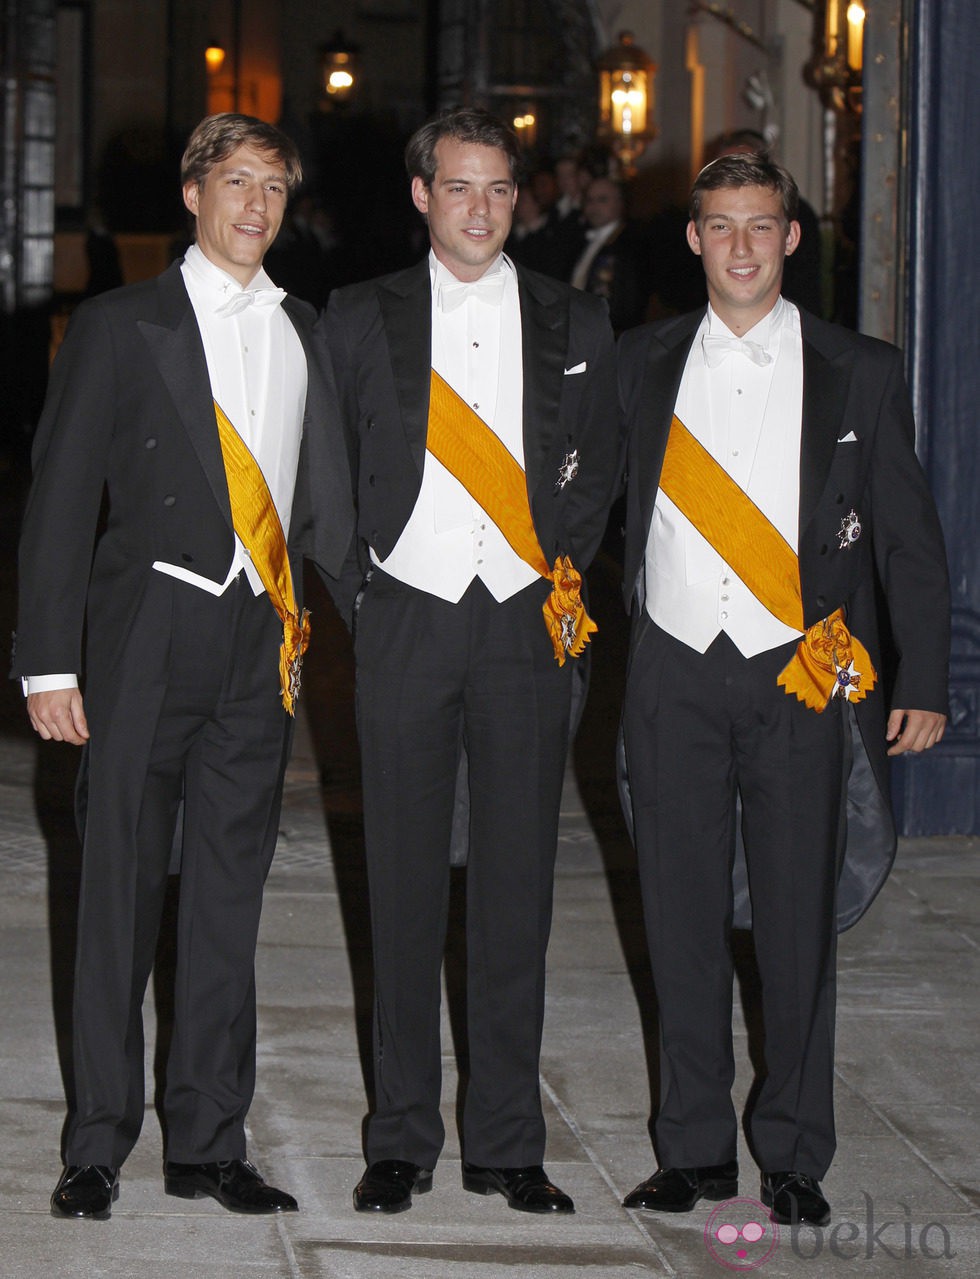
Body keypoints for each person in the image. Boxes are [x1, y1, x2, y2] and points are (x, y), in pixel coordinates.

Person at [13, 113, 354, 1220]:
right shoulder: (119, 326)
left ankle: (208, 1137)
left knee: (223, 900)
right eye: (238, 181)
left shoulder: (307, 331)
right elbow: (60, 503)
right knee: (113, 895)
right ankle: (97, 1141)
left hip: (257, 653)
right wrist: (46, 666)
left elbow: (325, 509)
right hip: (141, 644)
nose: (257, 205)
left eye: (275, 187)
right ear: (194, 191)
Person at [616, 153, 949, 1227]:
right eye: (720, 226)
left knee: (795, 921)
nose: (742, 246)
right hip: (671, 667)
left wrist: (925, 678)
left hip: (798, 674)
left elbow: (908, 542)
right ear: (693, 240)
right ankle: (693, 1148)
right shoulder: (637, 363)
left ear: (792, 237)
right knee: (675, 916)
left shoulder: (859, 369)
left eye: (761, 225)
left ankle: (794, 1151)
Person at [321, 107, 618, 1216]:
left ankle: (504, 1138)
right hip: (405, 615)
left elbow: (598, 466)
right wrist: (366, 589)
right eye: (458, 187)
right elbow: (323, 474)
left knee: (514, 889)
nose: (480, 208)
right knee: (396, 884)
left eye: (497, 188)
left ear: (515, 196)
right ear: (420, 196)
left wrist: (553, 570)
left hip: (520, 625)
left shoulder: (573, 313)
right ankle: (399, 1135)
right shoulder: (356, 317)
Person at [571, 176, 649, 333]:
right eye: (589, 200)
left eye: (602, 200)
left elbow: (630, 300)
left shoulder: (630, 244)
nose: (594, 206)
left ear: (620, 203)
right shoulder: (580, 241)